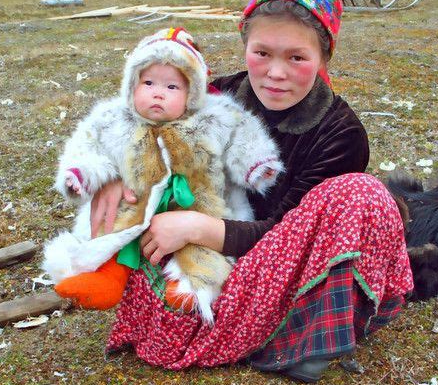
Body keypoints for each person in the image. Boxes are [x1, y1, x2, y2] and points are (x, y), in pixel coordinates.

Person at [94, 0, 413, 382]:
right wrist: (112, 175)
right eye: (262, 53)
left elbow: (288, 234)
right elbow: (139, 117)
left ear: (323, 56)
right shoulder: (213, 95)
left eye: (297, 57)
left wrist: (195, 227)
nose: (275, 73)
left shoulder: (341, 134)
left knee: (362, 194)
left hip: (281, 256)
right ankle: (249, 321)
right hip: (209, 253)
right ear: (245, 45)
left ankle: (308, 335)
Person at [43, 27, 283, 323]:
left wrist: (256, 165)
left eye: (172, 87)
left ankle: (194, 285)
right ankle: (106, 276)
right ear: (131, 84)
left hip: (195, 204)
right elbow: (90, 146)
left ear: (192, 94)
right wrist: (81, 174)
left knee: (204, 244)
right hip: (136, 201)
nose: (158, 92)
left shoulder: (214, 116)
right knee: (113, 228)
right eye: (148, 82)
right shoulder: (114, 118)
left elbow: (241, 136)